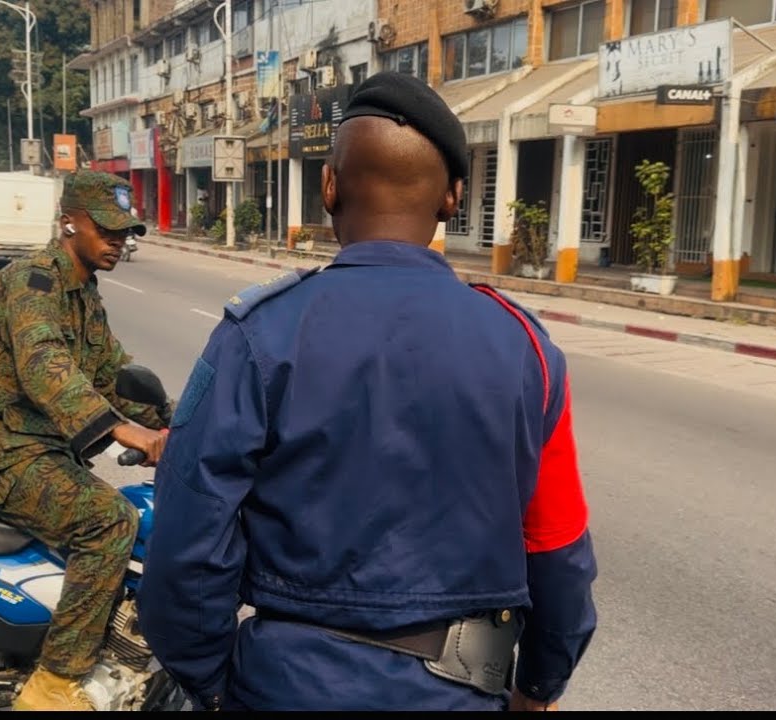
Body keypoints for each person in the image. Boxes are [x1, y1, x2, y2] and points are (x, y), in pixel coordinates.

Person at [138, 71, 598, 711]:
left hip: (286, 688)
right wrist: (540, 684)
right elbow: (559, 552)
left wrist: (213, 681)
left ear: (328, 186)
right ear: (453, 200)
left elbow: (186, 543)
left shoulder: (259, 334)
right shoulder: (527, 351)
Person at [0, 170, 170, 711]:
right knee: (109, 521)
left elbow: (112, 372)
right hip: (0, 452)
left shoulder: (84, 294)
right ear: (69, 221)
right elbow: (47, 369)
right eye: (108, 229)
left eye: (126, 232)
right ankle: (54, 682)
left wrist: (180, 420)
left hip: (41, 450)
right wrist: (126, 431)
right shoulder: (32, 283)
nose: (119, 241)